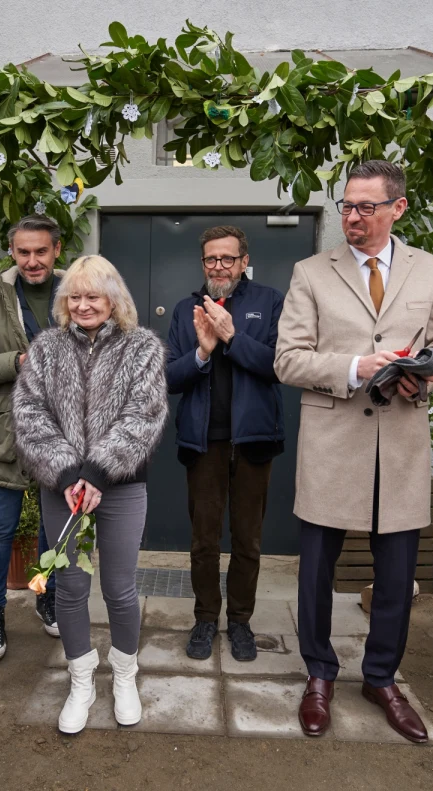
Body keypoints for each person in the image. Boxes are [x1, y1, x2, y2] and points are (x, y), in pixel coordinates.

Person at [274, 160, 433, 742]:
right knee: (316, 573)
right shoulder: (311, 272)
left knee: (398, 572)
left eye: (365, 207)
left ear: (396, 209)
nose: (352, 216)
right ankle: (319, 675)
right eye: (346, 206)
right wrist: (356, 366)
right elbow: (288, 358)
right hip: (333, 443)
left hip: (399, 443)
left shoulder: (428, 270)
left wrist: (425, 376)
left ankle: (382, 677)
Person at [12, 254, 167, 735]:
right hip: (63, 488)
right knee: (72, 588)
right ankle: (81, 680)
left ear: (113, 299)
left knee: (120, 588)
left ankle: (124, 676)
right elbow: (28, 413)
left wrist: (99, 470)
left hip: (120, 485)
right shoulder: (46, 348)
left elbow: (145, 414)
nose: (83, 305)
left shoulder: (143, 347)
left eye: (92, 296)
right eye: (74, 297)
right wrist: (65, 473)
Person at [165, 225, 285, 662]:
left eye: (228, 259)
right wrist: (201, 352)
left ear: (243, 260)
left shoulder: (269, 301)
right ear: (203, 263)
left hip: (255, 440)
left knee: (248, 540)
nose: (219, 266)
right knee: (204, 540)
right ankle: (204, 618)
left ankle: (239, 621)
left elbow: (279, 366)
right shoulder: (185, 310)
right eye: (211, 259)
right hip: (203, 443)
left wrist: (233, 337)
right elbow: (168, 378)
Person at [0, 215, 64, 662]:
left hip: (62, 434)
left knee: (53, 528)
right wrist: (21, 360)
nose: (32, 261)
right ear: (12, 251)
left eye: (41, 251)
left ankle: (46, 596)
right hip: (7, 432)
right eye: (23, 252)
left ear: (57, 250)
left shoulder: (76, 288)